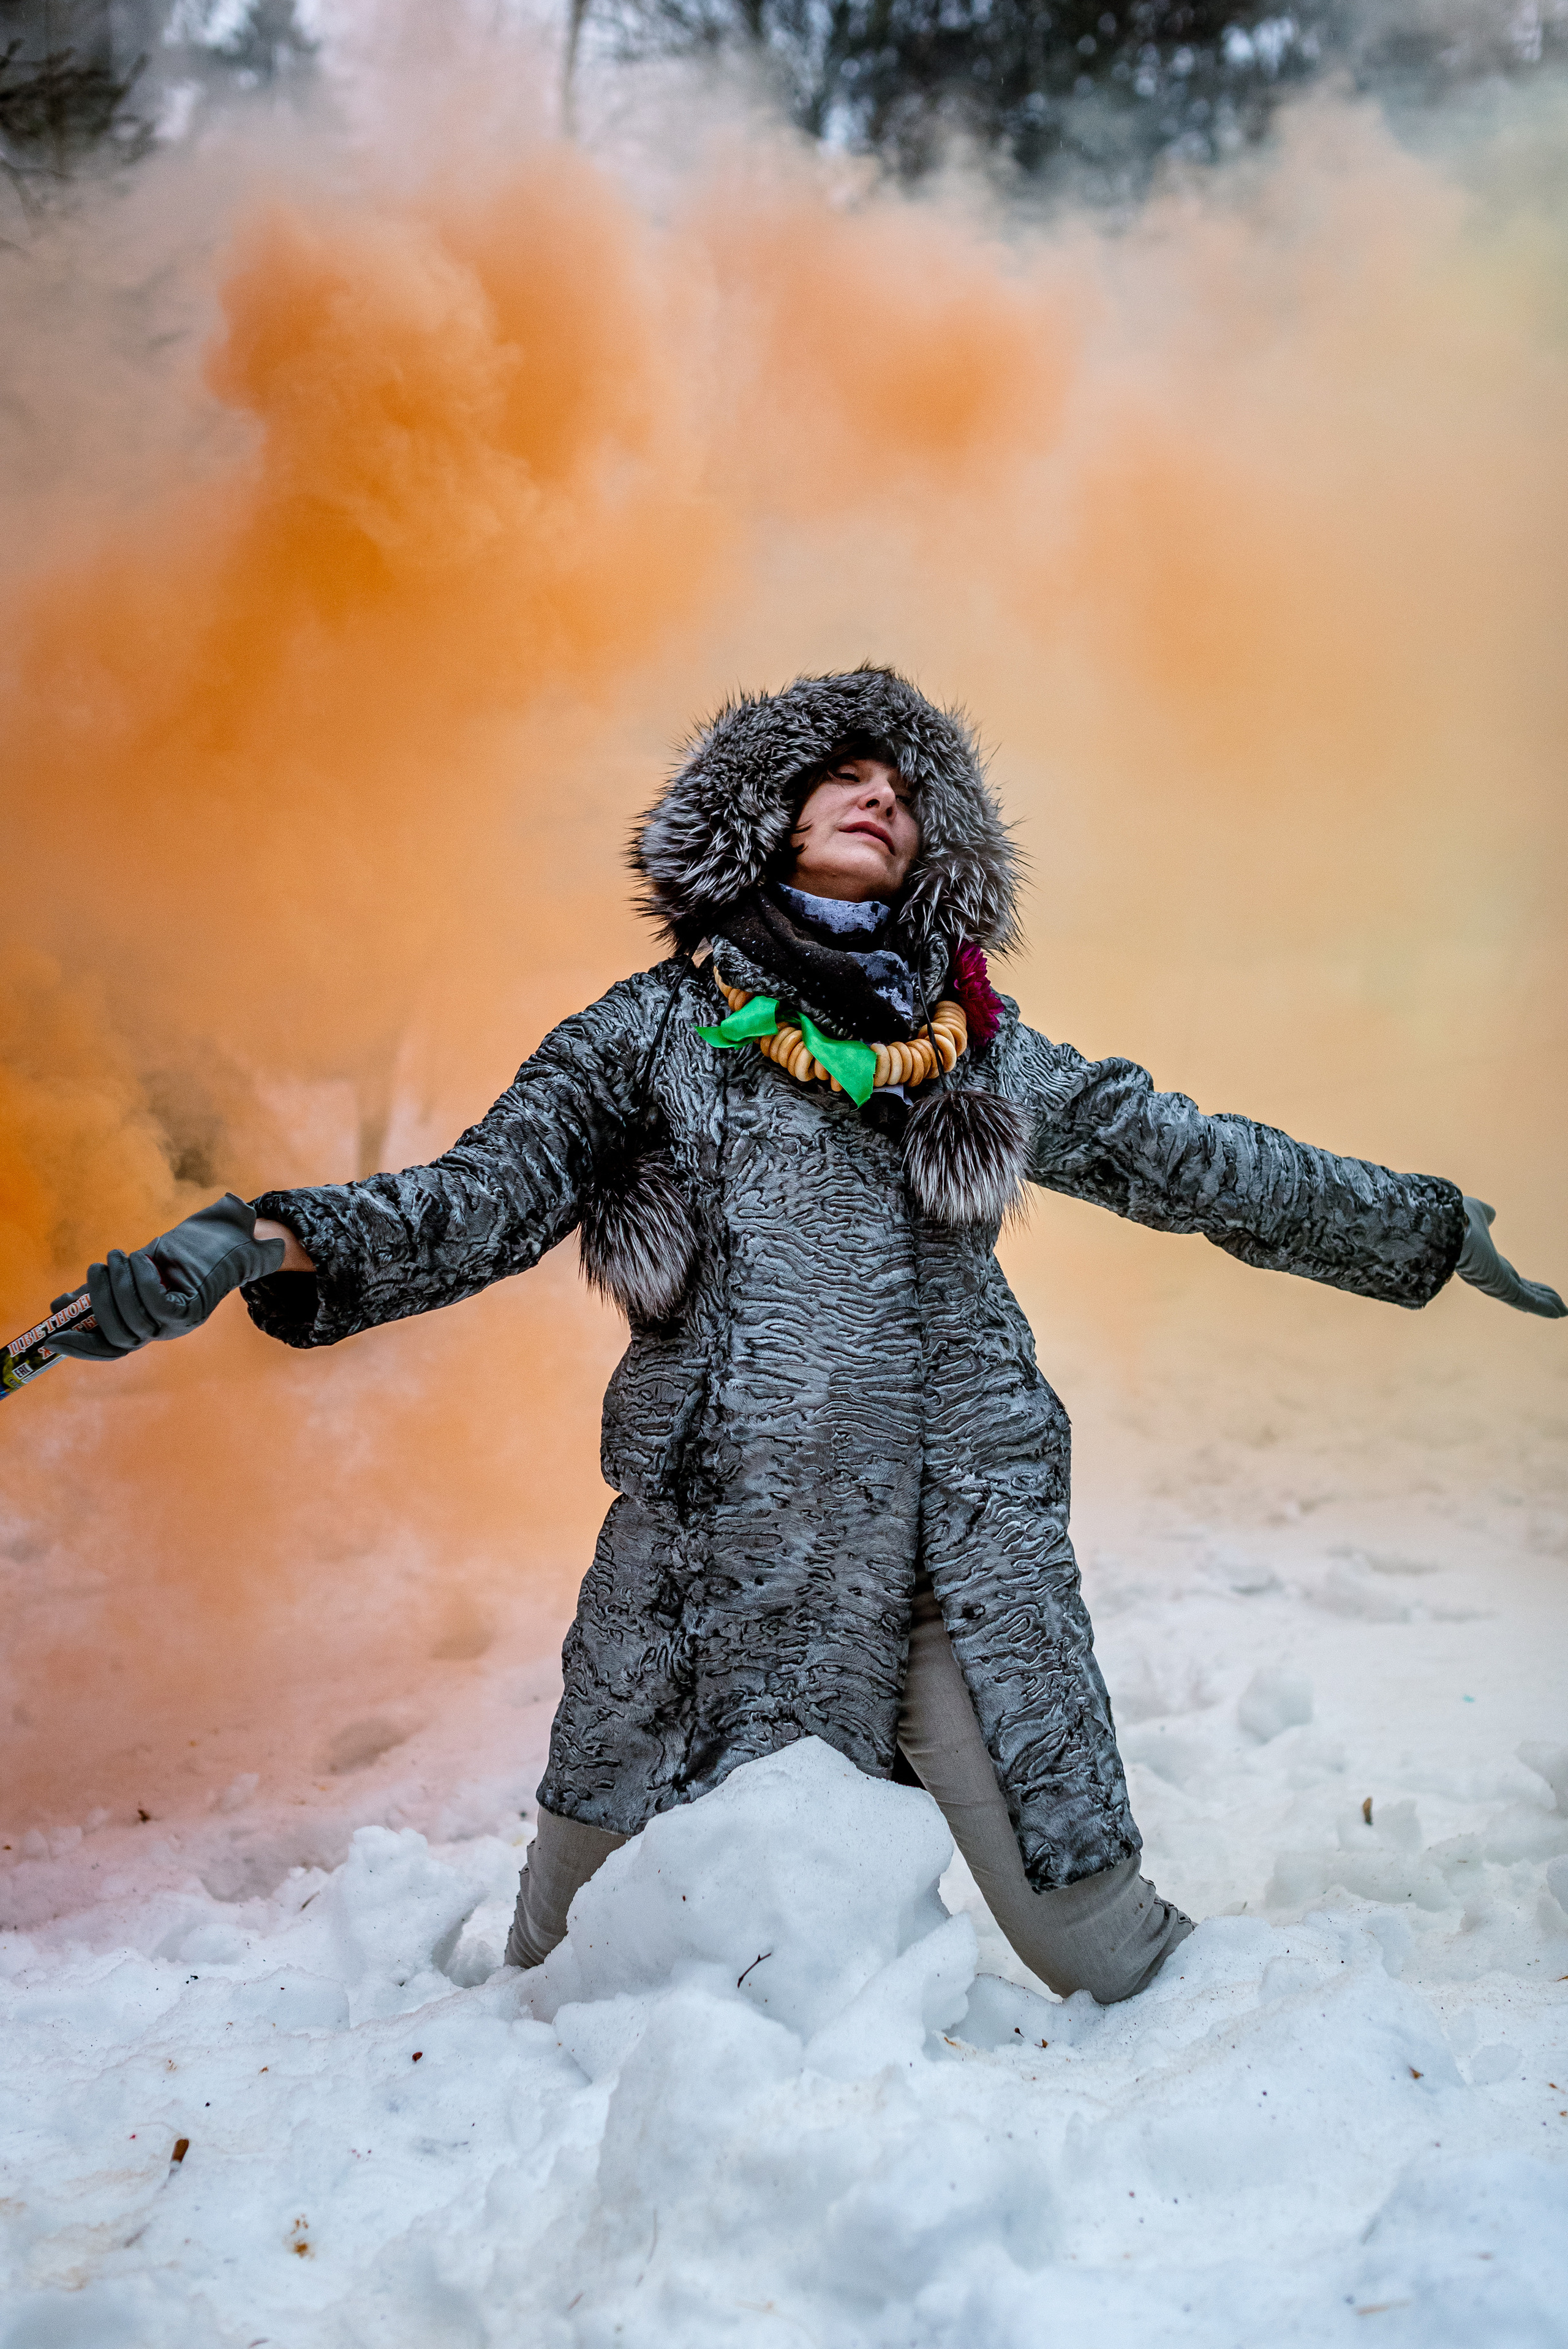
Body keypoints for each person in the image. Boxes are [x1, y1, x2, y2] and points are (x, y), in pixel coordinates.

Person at [51, 668, 1563, 2005]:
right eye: (843, 773)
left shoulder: (982, 1046)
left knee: (1109, 1960)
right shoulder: (647, 1034)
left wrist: (1422, 1227)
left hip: (956, 1568)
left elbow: (1191, 1158)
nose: (877, 797)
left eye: (906, 791)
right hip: (718, 1581)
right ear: (763, 816)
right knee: (557, 1982)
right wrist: (258, 1238)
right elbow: (477, 1198)